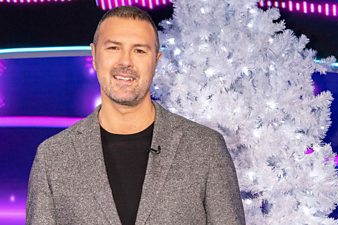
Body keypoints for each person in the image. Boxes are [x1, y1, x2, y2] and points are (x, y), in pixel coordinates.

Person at [26, 6, 245, 225]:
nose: (126, 62)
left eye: (139, 51)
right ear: (94, 55)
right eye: (113, 48)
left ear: (156, 61)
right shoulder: (53, 158)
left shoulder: (205, 149)